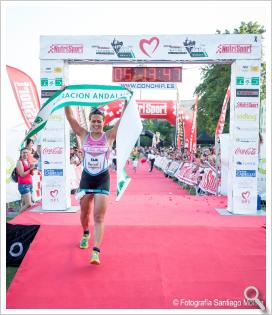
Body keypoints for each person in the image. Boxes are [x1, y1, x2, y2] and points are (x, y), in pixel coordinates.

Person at [65, 103, 127, 265]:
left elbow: (123, 120)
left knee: (99, 216)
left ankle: (96, 252)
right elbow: (71, 119)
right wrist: (66, 101)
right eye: (93, 121)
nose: (96, 124)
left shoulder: (109, 136)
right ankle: (86, 232)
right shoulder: (84, 134)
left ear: (103, 122)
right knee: (85, 213)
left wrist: (127, 101)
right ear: (90, 121)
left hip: (102, 178)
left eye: (99, 121)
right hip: (86, 178)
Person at [16, 148, 36, 212]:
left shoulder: (28, 161)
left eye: (27, 152)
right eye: (23, 152)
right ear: (21, 154)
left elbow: (32, 174)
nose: (25, 154)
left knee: (25, 204)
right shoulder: (19, 162)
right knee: (29, 204)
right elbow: (22, 174)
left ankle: (21, 220)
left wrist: (32, 168)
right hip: (23, 185)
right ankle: (17, 218)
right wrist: (30, 169)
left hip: (29, 184)